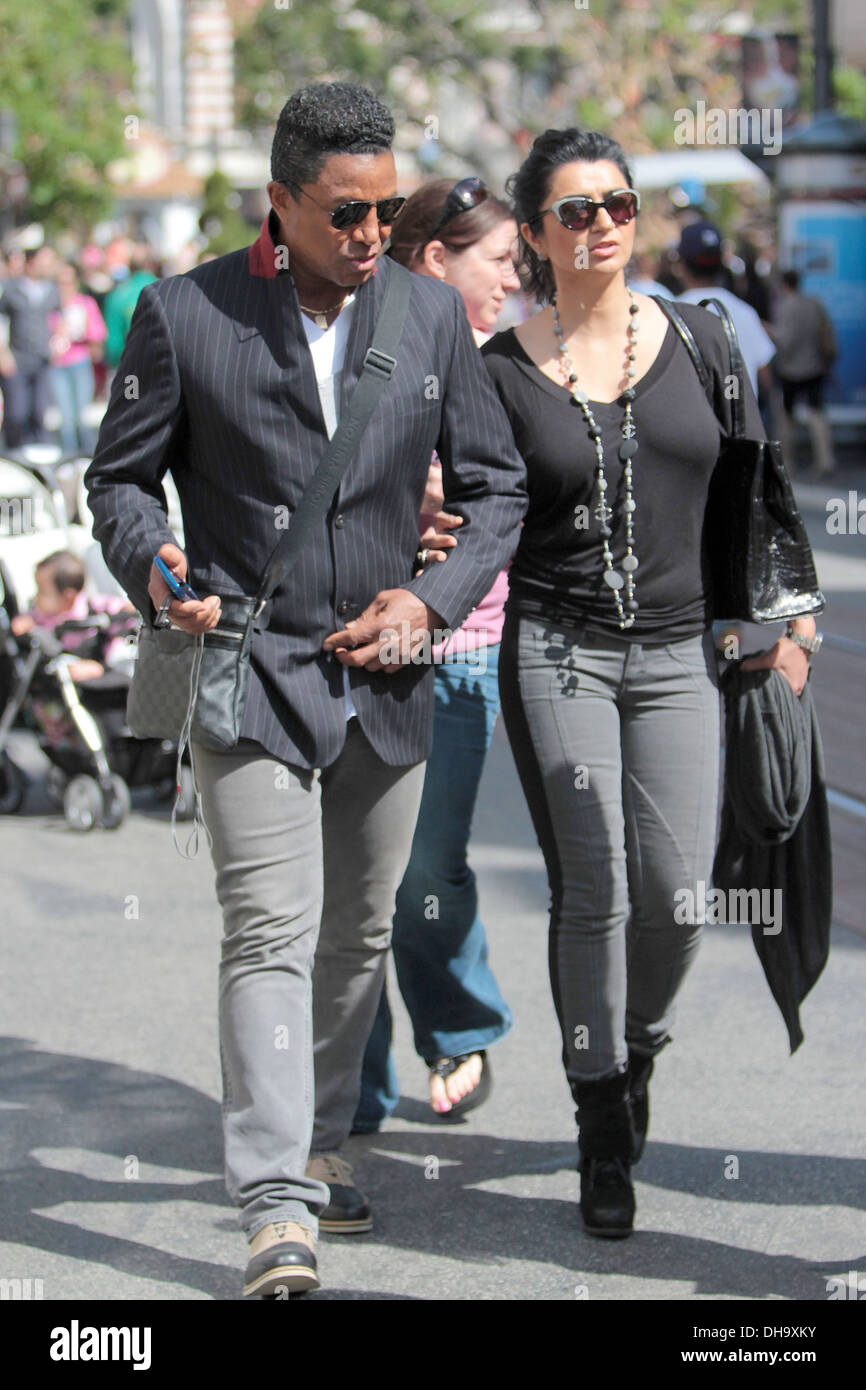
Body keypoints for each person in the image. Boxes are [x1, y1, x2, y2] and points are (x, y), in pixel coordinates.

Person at [84, 82, 526, 1297]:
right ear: (279, 200)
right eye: (344, 214)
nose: (370, 235)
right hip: (247, 663)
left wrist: (424, 606)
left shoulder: (428, 317)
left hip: (388, 668)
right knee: (270, 929)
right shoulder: (182, 314)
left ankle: (322, 1137)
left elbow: (494, 494)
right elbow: (117, 482)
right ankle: (275, 1199)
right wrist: (155, 561)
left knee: (359, 933)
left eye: (385, 211)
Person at [479, 127, 818, 1239]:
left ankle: (632, 1055)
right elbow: (475, 503)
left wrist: (785, 620)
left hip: (681, 654)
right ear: (534, 232)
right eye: (573, 211)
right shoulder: (497, 371)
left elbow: (754, 486)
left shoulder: (705, 339)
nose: (601, 225)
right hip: (557, 651)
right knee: (595, 887)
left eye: (616, 204)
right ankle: (595, 1124)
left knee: (676, 895)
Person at [354, 177, 520, 1130]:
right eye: (497, 262)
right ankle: (353, 1076)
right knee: (351, 876)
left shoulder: (508, 365)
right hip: (351, 637)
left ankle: (457, 1025)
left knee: (424, 867)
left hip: (462, 645)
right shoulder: (356, 353)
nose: (513, 280)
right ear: (434, 262)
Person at [675, 221, 775, 399]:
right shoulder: (746, 312)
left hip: (688, 422)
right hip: (741, 421)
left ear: (681, 265)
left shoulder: (668, 314)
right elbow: (766, 375)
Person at [10, 550, 133, 683]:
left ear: (68, 596)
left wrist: (126, 608)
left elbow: (123, 613)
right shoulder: (41, 616)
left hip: (98, 666)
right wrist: (23, 624)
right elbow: (26, 623)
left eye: (43, 592)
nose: (36, 598)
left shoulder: (91, 607)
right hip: (64, 672)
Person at [771, 269, 837, 478]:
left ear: (783, 285)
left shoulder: (785, 308)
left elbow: (785, 342)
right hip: (815, 366)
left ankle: (788, 462)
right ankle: (825, 459)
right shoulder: (813, 303)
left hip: (791, 369)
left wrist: (768, 330)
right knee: (817, 412)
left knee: (787, 416)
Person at [0, 245, 60, 449]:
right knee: (17, 413)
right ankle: (15, 454)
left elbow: (61, 318)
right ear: (32, 262)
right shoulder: (10, 289)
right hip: (16, 360)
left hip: (42, 359)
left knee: (39, 413)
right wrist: (3, 353)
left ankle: (39, 460)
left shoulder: (52, 289)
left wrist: (59, 340)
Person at [48, 263, 107, 454]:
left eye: (68, 282)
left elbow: (98, 333)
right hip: (57, 365)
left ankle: (89, 457)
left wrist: (82, 332)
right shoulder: (51, 306)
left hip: (80, 362)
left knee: (83, 417)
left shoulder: (85, 303)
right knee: (66, 419)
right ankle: (69, 458)